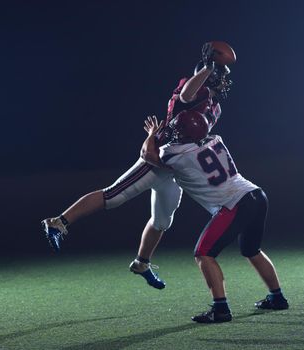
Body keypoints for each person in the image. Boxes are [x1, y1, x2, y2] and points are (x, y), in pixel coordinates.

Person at [41, 43, 233, 290]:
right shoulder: (194, 89)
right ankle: (58, 222)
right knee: (113, 196)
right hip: (158, 158)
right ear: (208, 75)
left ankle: (142, 262)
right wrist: (207, 68)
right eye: (221, 77)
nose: (224, 83)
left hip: (176, 168)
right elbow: (186, 96)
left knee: (163, 220)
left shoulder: (215, 107)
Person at [140, 111, 289, 323]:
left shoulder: (175, 154)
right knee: (252, 250)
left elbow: (147, 155)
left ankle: (221, 309)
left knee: (203, 253)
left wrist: (152, 134)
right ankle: (277, 297)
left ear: (183, 133)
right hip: (256, 194)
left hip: (234, 203)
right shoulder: (215, 139)